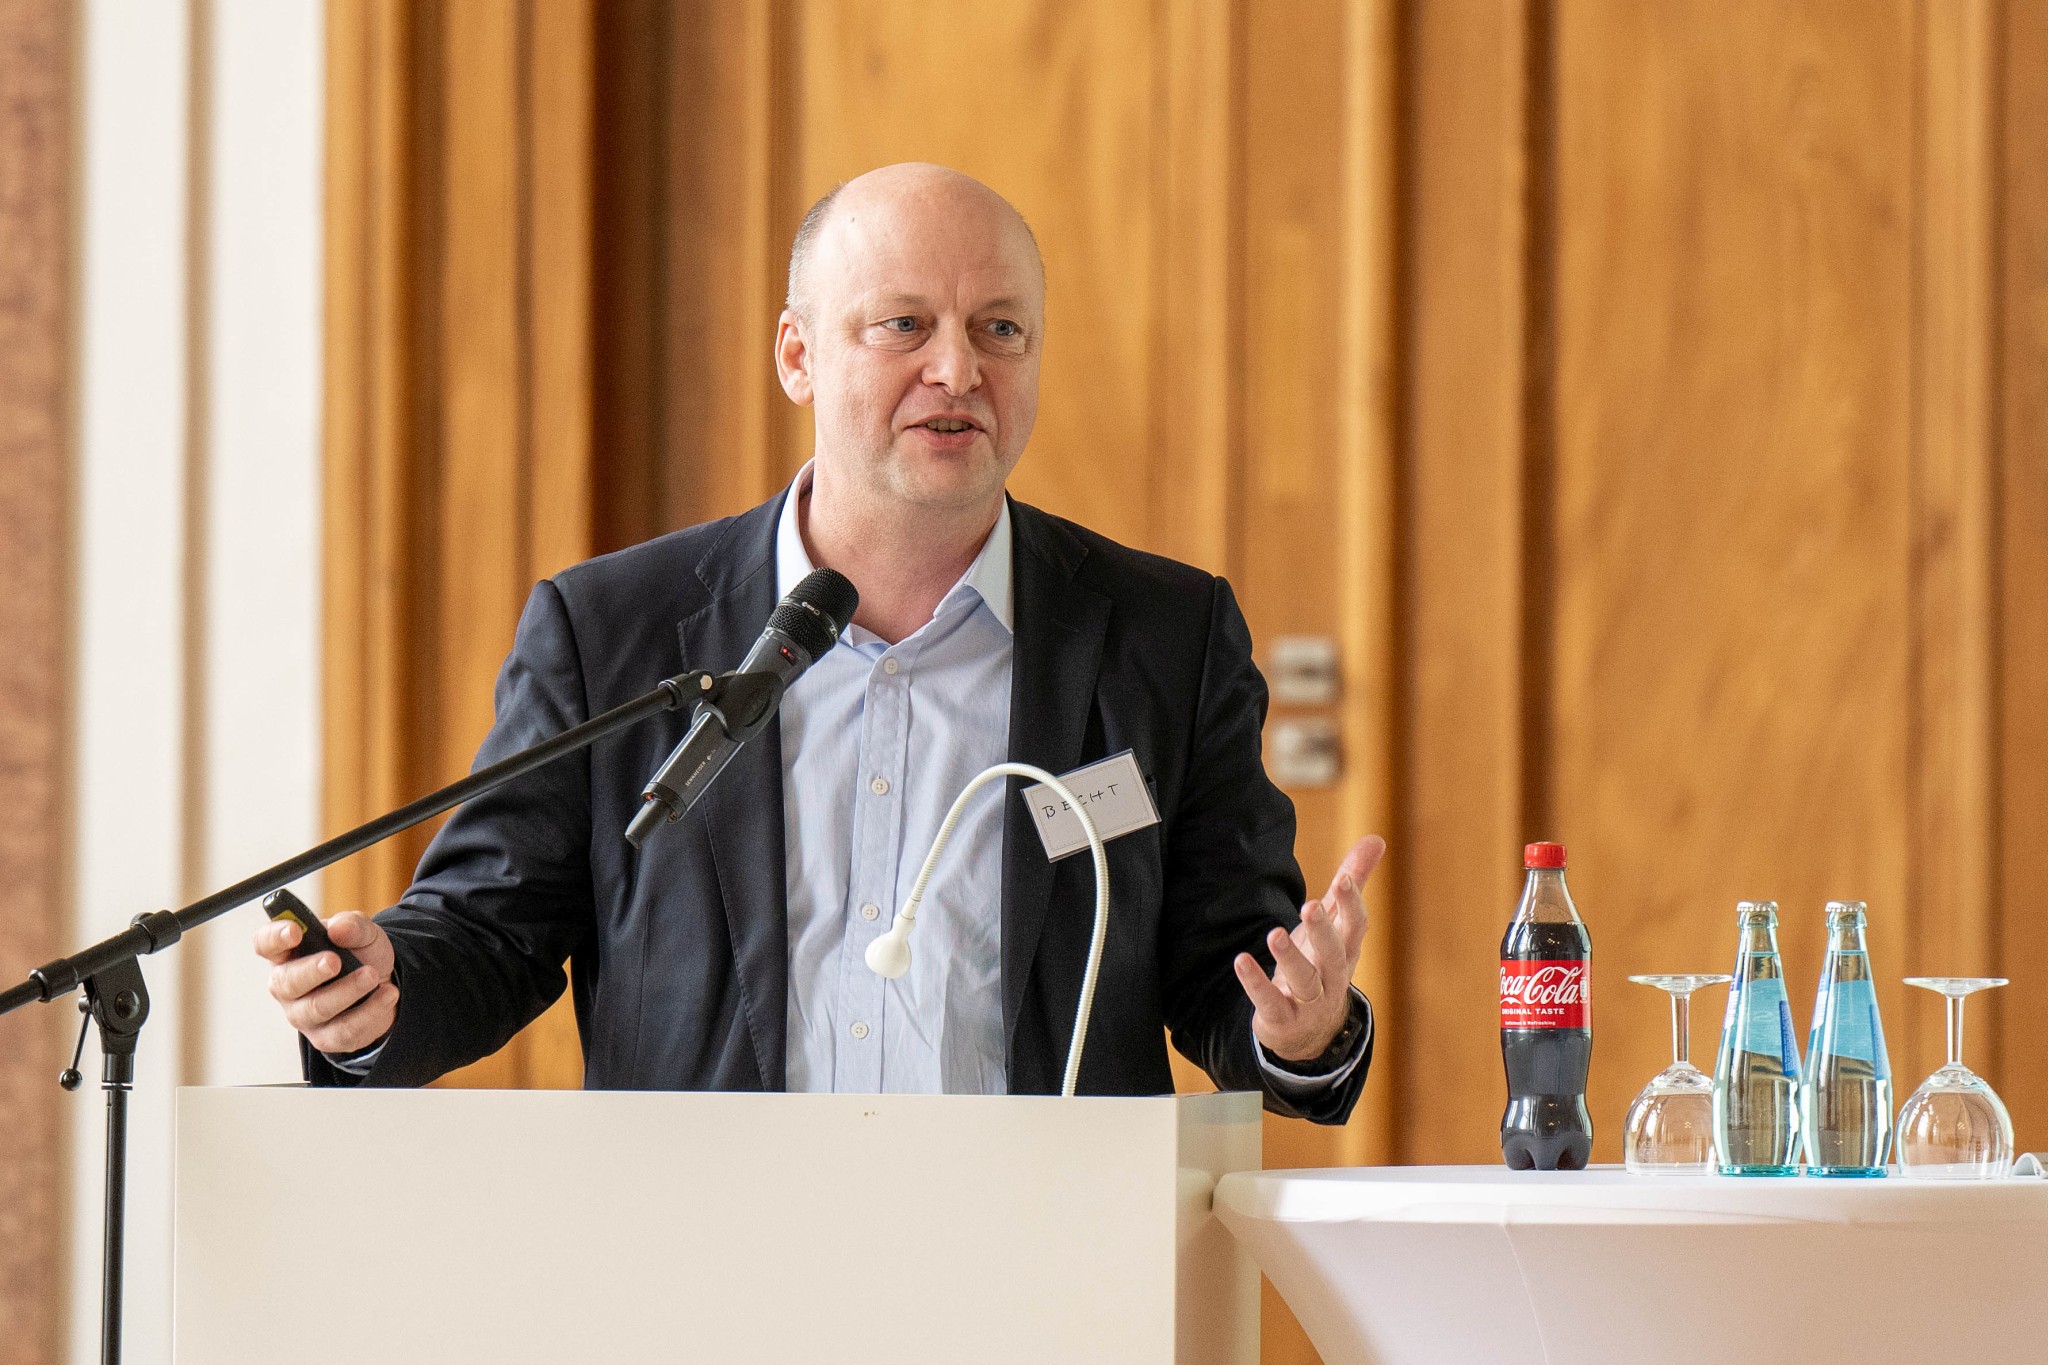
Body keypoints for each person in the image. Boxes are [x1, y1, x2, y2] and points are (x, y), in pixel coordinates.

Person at [256, 163, 1385, 1121]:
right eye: (903, 325)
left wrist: (1303, 1027)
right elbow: (488, 931)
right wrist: (378, 996)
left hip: (1039, 1264)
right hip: (712, 1263)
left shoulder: (1161, 636)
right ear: (797, 356)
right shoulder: (614, 631)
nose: (958, 370)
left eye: (1000, 329)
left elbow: (1233, 970)